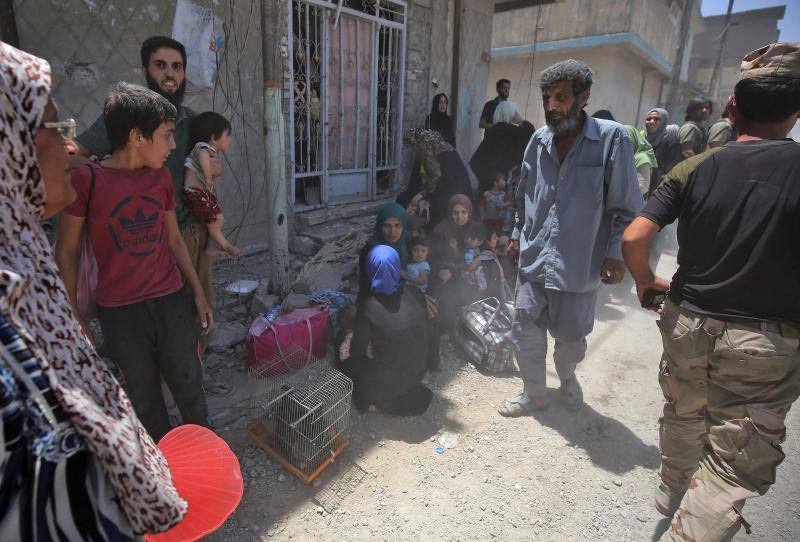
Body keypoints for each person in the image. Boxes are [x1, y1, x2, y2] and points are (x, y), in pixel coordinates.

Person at [0, 42, 186, 537]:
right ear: (9, 147)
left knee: (183, 378)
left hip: (167, 297)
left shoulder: (25, 273)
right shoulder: (11, 321)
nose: (69, 148)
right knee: (144, 389)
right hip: (122, 308)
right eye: (54, 129)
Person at [621, 43, 800, 541]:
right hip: (764, 343)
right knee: (732, 462)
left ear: (732, 106)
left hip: (687, 322)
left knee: (683, 411)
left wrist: (645, 282)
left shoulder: (695, 167)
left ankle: (673, 489)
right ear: (796, 111)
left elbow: (634, 237)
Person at [56, 82, 213, 441]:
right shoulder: (86, 180)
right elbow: (66, 250)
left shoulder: (160, 177)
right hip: (120, 313)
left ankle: (206, 450)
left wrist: (198, 292)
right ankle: (164, 461)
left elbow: (174, 239)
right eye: (167, 135)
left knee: (190, 385)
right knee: (144, 398)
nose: (172, 146)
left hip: (171, 301)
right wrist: (74, 315)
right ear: (136, 136)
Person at [498, 59, 642, 416]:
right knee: (525, 332)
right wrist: (516, 234)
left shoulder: (612, 138)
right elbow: (524, 196)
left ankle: (567, 378)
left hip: (579, 265)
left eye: (560, 97)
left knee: (571, 342)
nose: (551, 106)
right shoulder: (538, 140)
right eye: (546, 98)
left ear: (583, 97)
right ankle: (534, 392)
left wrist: (615, 253)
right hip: (534, 258)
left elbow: (627, 208)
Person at [344, 245, 432, 416]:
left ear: (369, 270)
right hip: (418, 372)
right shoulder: (415, 293)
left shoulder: (369, 307)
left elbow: (357, 352)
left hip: (388, 383)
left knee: (345, 351)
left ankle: (366, 402)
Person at [184, 111, 243, 258]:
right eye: (227, 135)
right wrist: (208, 177)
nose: (230, 140)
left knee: (218, 220)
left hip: (201, 193)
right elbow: (203, 156)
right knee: (215, 222)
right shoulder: (202, 147)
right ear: (214, 138)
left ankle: (210, 247)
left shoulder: (211, 151)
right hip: (195, 193)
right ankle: (227, 246)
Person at [400, 128, 474, 231]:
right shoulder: (445, 145)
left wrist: (422, 194)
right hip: (462, 188)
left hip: (448, 190)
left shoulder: (426, 148)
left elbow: (435, 176)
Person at [358, 202, 409, 301]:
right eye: (387, 226)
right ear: (379, 226)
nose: (392, 232)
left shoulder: (403, 247)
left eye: (397, 225)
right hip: (375, 303)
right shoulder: (373, 251)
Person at [644, 107, 683, 184]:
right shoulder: (644, 141)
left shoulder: (670, 142)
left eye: (656, 119)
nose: (651, 121)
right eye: (649, 119)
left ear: (663, 121)